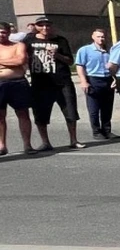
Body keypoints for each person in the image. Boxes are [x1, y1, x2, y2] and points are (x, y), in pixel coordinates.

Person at [21, 16, 84, 150]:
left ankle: (74, 140)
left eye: (47, 25)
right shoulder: (29, 40)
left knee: (70, 112)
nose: (45, 28)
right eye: (41, 25)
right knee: (40, 114)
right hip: (41, 82)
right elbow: (20, 55)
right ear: (36, 26)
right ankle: (45, 142)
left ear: (51, 26)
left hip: (62, 82)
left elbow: (70, 61)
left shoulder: (60, 40)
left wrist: (58, 56)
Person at [0, 22, 35, 155]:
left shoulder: (18, 45)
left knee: (23, 113)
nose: (1, 34)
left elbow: (20, 61)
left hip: (17, 83)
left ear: (9, 33)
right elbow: (13, 62)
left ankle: (27, 145)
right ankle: (2, 145)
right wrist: (10, 62)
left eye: (3, 32)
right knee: (0, 116)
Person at [75, 29, 116, 140]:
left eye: (103, 37)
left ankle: (107, 130)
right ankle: (96, 131)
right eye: (98, 36)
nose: (101, 39)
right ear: (93, 37)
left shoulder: (110, 50)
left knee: (107, 108)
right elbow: (80, 66)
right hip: (93, 80)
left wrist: (115, 78)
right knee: (94, 108)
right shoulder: (85, 50)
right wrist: (83, 81)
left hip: (107, 80)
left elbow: (114, 66)